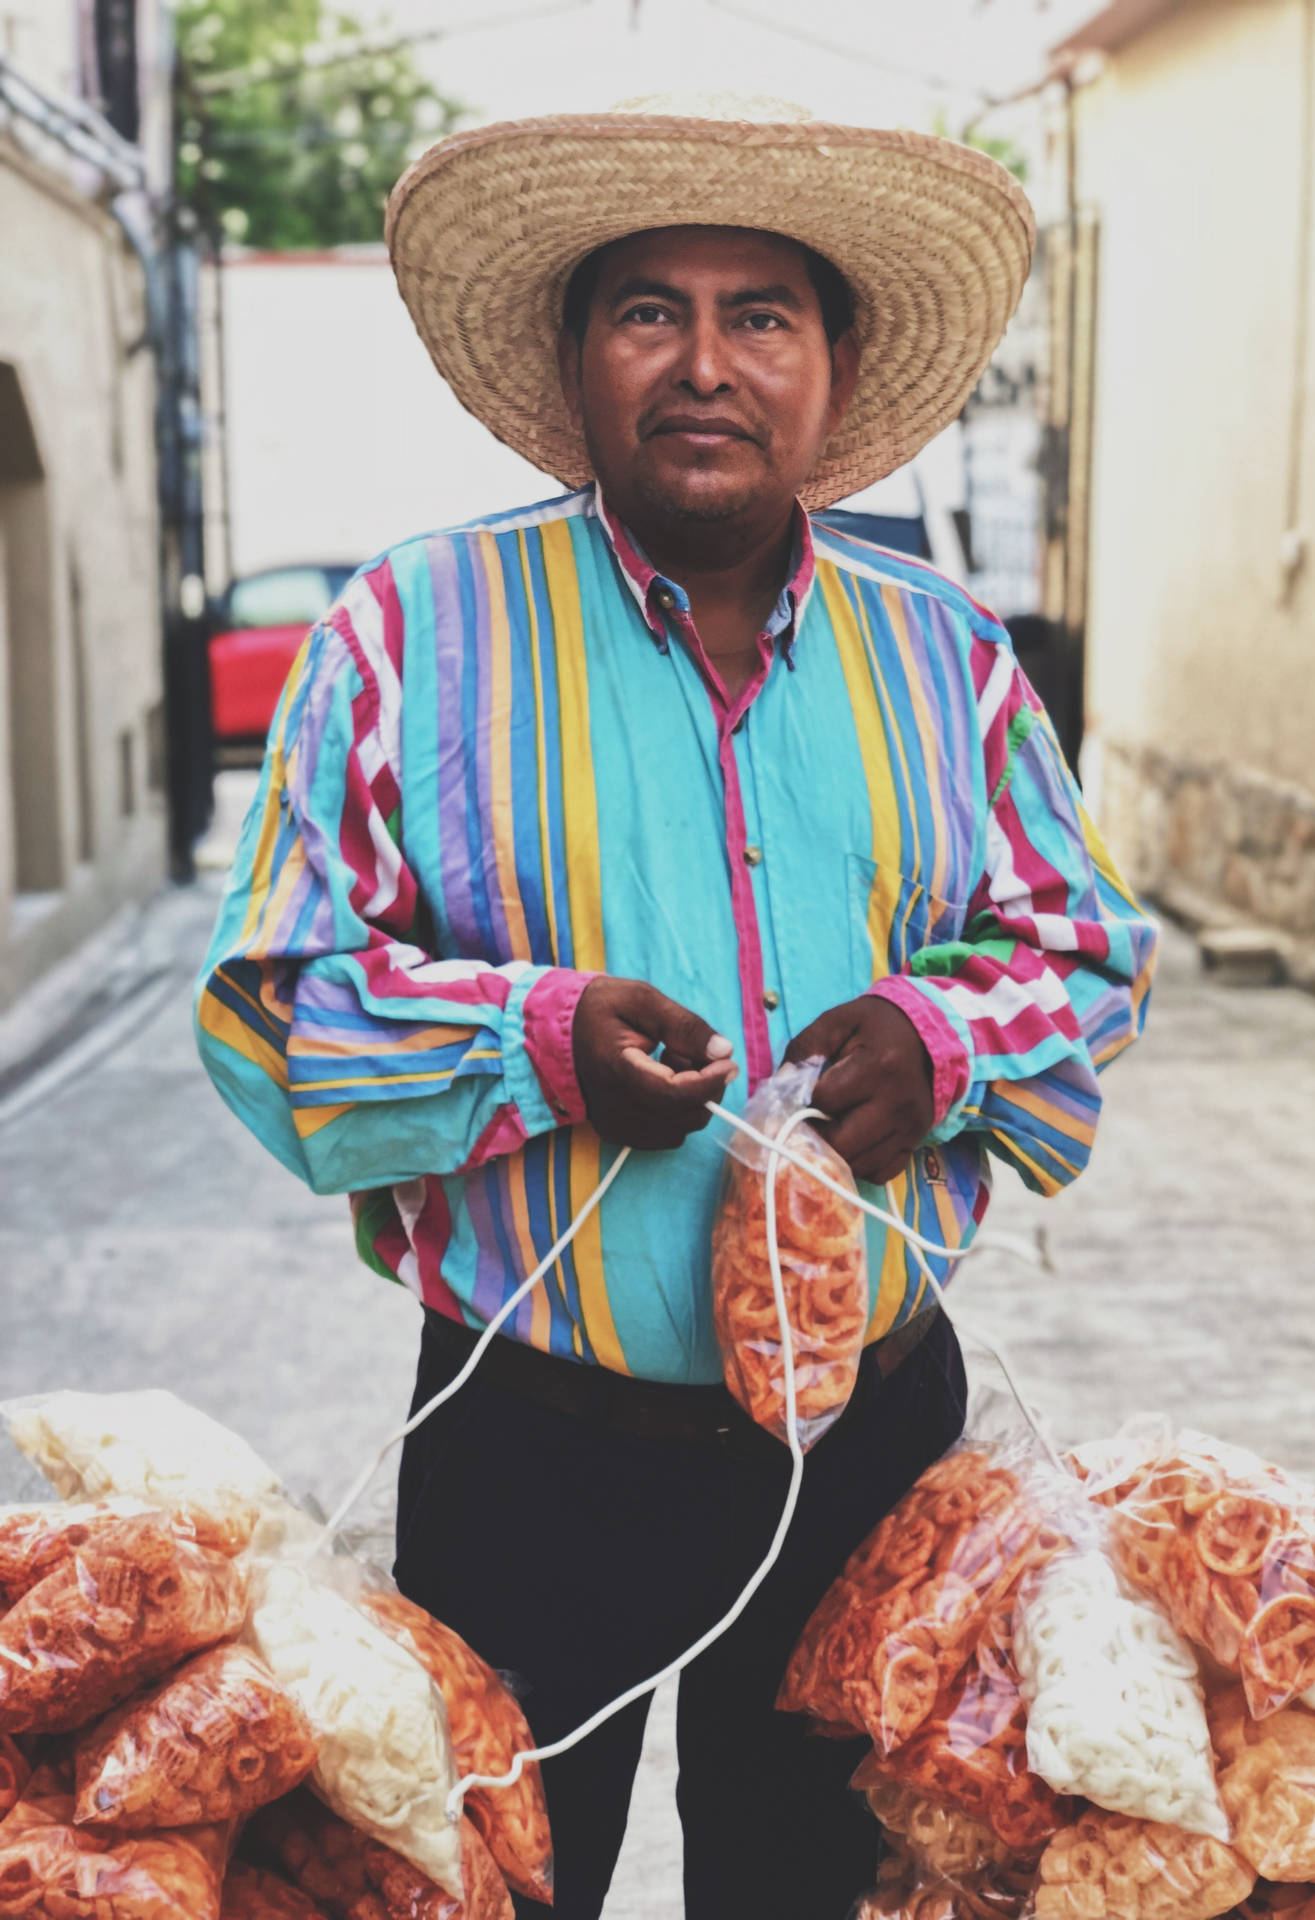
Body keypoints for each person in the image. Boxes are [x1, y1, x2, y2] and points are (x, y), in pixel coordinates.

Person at [196, 96, 1157, 1920]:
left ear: (832, 361)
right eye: (649, 309)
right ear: (575, 356)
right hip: (532, 1452)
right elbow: (275, 999)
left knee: (825, 1893)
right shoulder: (415, 630)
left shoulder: (945, 657)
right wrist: (534, 1043)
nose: (705, 364)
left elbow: (1088, 946)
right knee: (478, 1889)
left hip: (872, 1450)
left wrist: (942, 1044)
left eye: (761, 315)